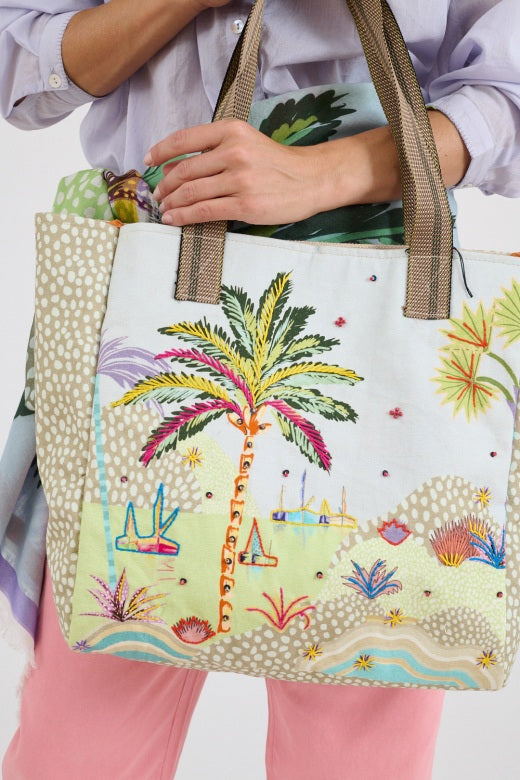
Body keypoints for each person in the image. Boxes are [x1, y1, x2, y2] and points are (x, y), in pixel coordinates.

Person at [0, 1, 519, 778]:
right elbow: (19, 63)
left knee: (354, 758)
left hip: (376, 278)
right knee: (76, 749)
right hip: (143, 290)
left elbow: (507, 92)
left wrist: (325, 172)